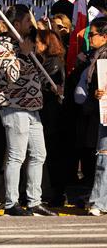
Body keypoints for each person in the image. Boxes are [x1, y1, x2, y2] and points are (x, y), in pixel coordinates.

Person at [0, 5, 55, 216]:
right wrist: (24, 55)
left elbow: (37, 74)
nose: (33, 24)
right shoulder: (3, 47)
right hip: (14, 108)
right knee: (16, 156)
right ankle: (11, 202)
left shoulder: (28, 44)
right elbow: (12, 75)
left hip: (34, 108)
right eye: (28, 20)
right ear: (16, 24)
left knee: (39, 154)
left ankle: (34, 200)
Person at [35, 29, 67, 206]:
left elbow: (41, 84)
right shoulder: (44, 61)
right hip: (47, 113)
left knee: (53, 155)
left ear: (47, 44)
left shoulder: (53, 63)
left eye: (39, 42)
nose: (36, 45)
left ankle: (57, 192)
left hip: (51, 115)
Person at [81, 19, 107, 215]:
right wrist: (98, 94)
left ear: (104, 37)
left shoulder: (102, 56)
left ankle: (98, 202)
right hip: (102, 111)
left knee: (103, 159)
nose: (88, 38)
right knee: (103, 158)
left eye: (92, 35)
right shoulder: (94, 56)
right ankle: (99, 201)